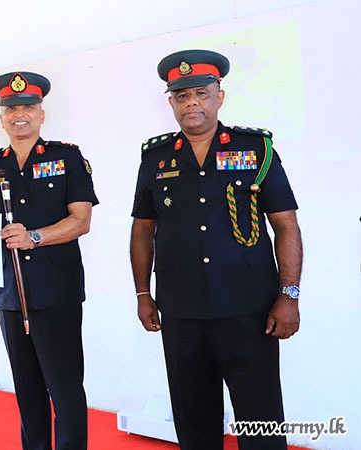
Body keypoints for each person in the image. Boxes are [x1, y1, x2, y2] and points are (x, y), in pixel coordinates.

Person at [129, 49, 303, 450]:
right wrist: (142, 294)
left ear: (219, 97)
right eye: (182, 96)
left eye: (201, 94)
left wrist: (289, 295)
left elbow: (286, 226)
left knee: (261, 423)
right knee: (194, 425)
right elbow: (142, 230)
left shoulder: (256, 149)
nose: (192, 103)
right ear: (171, 103)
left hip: (249, 309)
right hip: (181, 312)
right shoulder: (155, 158)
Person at [0, 71, 99, 450]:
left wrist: (34, 237)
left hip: (57, 292)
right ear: (1, 117)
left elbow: (81, 221)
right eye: (11, 109)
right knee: (27, 390)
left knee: (65, 388)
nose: (19, 114)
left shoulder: (66, 157)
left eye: (28, 107)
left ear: (42, 114)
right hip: (10, 293)